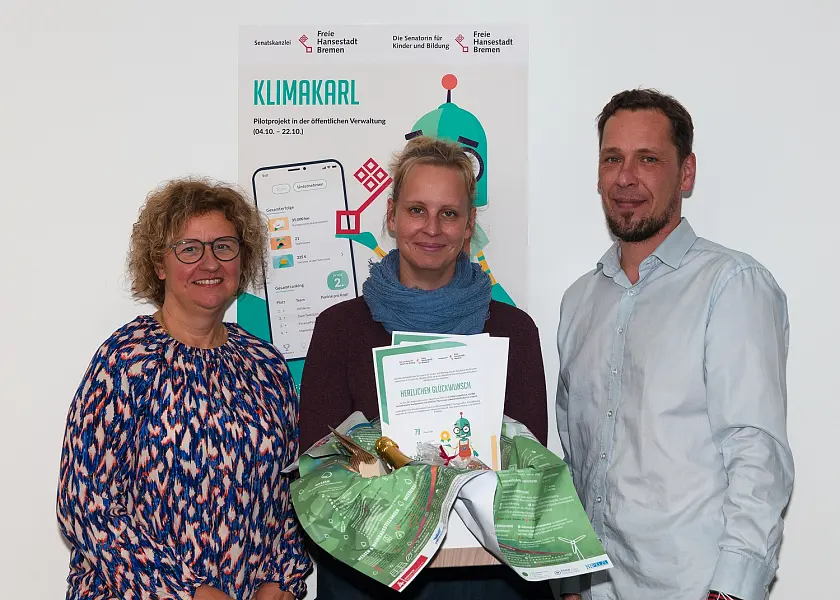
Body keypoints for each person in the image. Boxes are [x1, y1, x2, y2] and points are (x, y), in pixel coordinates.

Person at [553, 89, 794, 600]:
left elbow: (757, 452)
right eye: (612, 158)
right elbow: (578, 462)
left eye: (648, 159)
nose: (625, 178)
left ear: (685, 174)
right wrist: (571, 583)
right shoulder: (579, 301)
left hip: (694, 589)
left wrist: (732, 589)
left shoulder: (731, 285)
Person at [298, 136, 551, 599]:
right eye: (417, 210)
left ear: (469, 224)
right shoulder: (340, 329)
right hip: (370, 570)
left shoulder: (513, 330)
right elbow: (319, 462)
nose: (431, 228)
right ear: (391, 216)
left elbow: (528, 464)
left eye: (449, 213)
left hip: (487, 573)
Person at [56, 179, 312, 600]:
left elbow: (288, 492)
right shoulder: (125, 360)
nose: (209, 263)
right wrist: (185, 592)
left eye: (224, 246)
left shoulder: (266, 365)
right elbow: (83, 504)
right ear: (159, 265)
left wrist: (281, 578)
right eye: (189, 249)